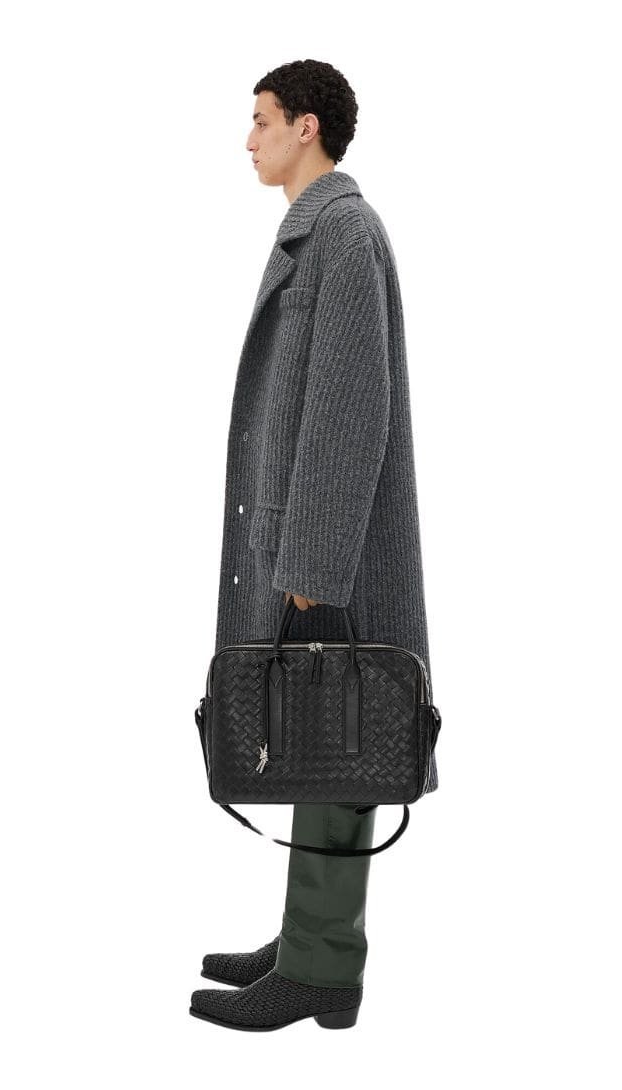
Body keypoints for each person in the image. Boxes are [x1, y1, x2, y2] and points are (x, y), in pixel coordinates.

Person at [189, 59, 433, 1032]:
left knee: (341, 742)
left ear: (306, 127)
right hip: (308, 546)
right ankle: (307, 940)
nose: (248, 138)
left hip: (331, 556)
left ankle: (323, 968)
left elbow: (349, 410)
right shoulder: (319, 230)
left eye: (261, 120)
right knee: (317, 736)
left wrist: (315, 566)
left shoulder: (344, 231)